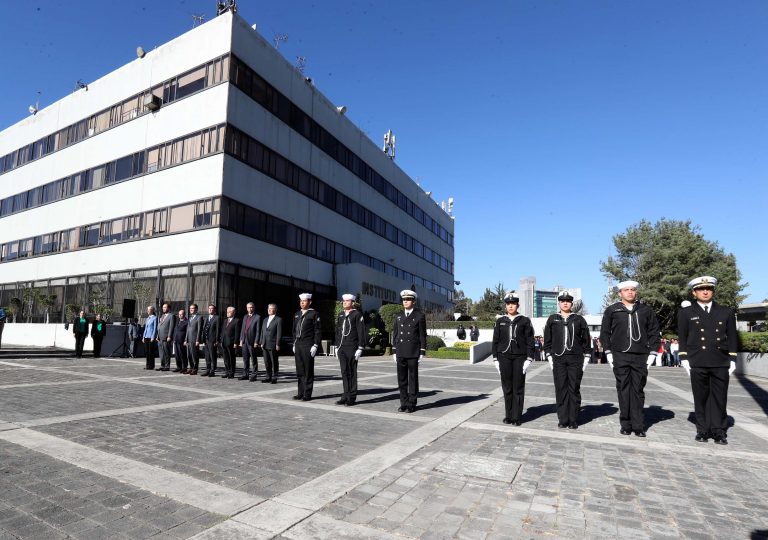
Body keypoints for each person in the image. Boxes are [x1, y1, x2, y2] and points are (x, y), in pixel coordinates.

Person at [677, 276, 738, 445]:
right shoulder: (686, 312)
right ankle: (703, 430)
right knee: (701, 397)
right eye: (701, 289)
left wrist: (732, 358)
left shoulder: (726, 311)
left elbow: (732, 336)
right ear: (694, 292)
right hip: (698, 360)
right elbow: (682, 336)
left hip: (720, 360)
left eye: (709, 289)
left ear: (713, 291)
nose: (705, 292)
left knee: (719, 397)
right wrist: (684, 357)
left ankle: (719, 431)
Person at [600, 280, 660, 437]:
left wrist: (653, 352)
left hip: (640, 355)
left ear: (636, 292)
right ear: (620, 293)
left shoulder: (645, 310)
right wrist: (608, 352)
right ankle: (625, 424)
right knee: (623, 389)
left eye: (632, 290)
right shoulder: (612, 310)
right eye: (626, 290)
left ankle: (639, 425)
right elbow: (605, 333)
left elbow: (654, 331)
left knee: (638, 390)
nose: (630, 292)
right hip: (620, 355)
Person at [544, 292, 592, 429]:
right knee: (561, 388)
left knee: (574, 388)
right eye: (562, 301)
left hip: (575, 358)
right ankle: (563, 418)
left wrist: (587, 357)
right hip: (558, 358)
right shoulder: (553, 319)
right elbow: (547, 340)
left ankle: (573, 419)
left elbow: (586, 340)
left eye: (568, 301)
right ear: (559, 303)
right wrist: (549, 357)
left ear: (572, 303)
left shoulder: (578, 319)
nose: (565, 303)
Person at [491, 293, 535, 425]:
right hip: (504, 357)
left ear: (518, 305)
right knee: (507, 388)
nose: (511, 306)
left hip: (519, 357)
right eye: (508, 304)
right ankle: (508, 415)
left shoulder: (524, 320)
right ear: (505, 306)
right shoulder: (500, 321)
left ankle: (517, 416)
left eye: (513, 303)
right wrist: (495, 359)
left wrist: (529, 358)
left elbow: (530, 340)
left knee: (518, 387)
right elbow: (495, 341)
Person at [392, 289, 427, 413]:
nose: (405, 302)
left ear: (413, 301)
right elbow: (395, 334)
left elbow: (423, 335)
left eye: (408, 300)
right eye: (404, 300)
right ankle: (403, 402)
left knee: (412, 379)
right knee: (401, 379)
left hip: (413, 351)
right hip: (401, 351)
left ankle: (412, 402)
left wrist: (422, 351)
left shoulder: (419, 316)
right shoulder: (398, 316)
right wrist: (394, 350)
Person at [334, 293, 366, 406]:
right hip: (342, 347)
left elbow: (361, 331)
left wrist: (360, 347)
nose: (345, 303)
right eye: (343, 301)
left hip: (352, 347)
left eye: (347, 301)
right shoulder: (341, 314)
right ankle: (345, 394)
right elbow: (338, 331)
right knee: (344, 372)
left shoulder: (357, 314)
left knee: (352, 372)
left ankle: (351, 397)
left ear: (352, 302)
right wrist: (337, 347)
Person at [292, 293, 322, 401]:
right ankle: (300, 392)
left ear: (309, 302)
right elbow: (294, 331)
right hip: (299, 344)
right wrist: (294, 343)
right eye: (301, 301)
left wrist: (315, 345)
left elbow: (317, 331)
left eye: (304, 301)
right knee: (299, 370)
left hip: (308, 344)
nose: (302, 303)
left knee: (308, 370)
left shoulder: (314, 314)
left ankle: (307, 394)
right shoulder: (297, 314)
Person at [260, 303, 282, 384]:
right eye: (268, 308)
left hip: (273, 344)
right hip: (265, 343)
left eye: (271, 308)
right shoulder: (265, 319)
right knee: (267, 361)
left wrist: (278, 344)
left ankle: (274, 377)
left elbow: (279, 333)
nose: (269, 310)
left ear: (275, 310)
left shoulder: (278, 319)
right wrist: (261, 342)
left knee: (274, 361)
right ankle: (268, 376)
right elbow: (262, 332)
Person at [240, 302, 262, 381]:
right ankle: (245, 374)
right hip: (244, 341)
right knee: (245, 358)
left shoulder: (257, 317)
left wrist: (256, 341)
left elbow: (258, 331)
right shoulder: (245, 317)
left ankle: (254, 375)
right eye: (248, 307)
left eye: (251, 307)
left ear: (254, 308)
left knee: (253, 358)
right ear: (246, 308)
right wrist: (241, 340)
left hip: (252, 341)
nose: (250, 309)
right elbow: (243, 329)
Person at [220, 306, 240, 379]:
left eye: (229, 312)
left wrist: (235, 342)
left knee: (231, 358)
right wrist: (221, 339)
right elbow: (222, 331)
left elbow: (237, 333)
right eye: (227, 311)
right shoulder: (225, 321)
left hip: (231, 342)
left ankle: (231, 373)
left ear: (233, 312)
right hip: (224, 342)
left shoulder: (236, 321)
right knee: (225, 358)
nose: (227, 313)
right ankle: (227, 371)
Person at [201, 304, 220, 376]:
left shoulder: (217, 318)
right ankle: (208, 369)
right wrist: (202, 339)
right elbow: (204, 328)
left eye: (212, 309)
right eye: (209, 309)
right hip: (206, 340)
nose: (210, 310)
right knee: (207, 356)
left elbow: (218, 330)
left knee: (212, 355)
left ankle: (212, 370)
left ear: (214, 310)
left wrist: (217, 340)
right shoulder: (206, 318)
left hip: (212, 340)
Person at [184, 303, 203, 375]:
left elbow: (199, 330)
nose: (191, 310)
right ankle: (191, 367)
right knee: (189, 355)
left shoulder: (199, 317)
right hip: (189, 339)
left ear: (196, 309)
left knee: (194, 354)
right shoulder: (190, 318)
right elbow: (187, 330)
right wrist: (186, 339)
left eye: (192, 308)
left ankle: (195, 368)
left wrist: (198, 340)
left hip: (195, 339)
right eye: (190, 308)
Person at [156, 303, 175, 372]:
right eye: (163, 307)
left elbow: (171, 327)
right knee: (161, 353)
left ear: (169, 308)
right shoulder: (162, 316)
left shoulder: (172, 316)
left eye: (165, 307)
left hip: (166, 337)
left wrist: (169, 336)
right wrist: (157, 335)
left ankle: (167, 366)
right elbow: (159, 326)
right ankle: (162, 365)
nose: (163, 308)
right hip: (160, 337)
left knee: (166, 352)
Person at [142, 306, 158, 370]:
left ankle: (151, 365)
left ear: (153, 310)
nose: (148, 311)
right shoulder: (147, 318)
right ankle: (147, 365)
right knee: (146, 352)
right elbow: (146, 328)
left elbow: (155, 329)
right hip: (146, 336)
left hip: (151, 337)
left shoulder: (155, 318)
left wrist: (153, 337)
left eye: (149, 310)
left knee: (151, 352)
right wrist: (143, 336)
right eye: (147, 309)